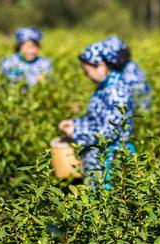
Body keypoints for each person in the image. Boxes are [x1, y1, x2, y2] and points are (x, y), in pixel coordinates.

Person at [58, 36, 135, 186]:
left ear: (100, 65)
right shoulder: (104, 87)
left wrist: (76, 131)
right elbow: (97, 119)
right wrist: (75, 123)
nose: (87, 76)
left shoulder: (115, 91)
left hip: (109, 161)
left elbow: (109, 131)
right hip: (97, 160)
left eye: (87, 71)